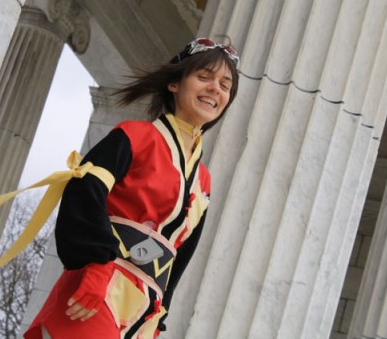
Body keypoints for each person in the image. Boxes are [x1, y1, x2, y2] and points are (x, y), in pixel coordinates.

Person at [24, 37, 240, 338]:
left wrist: (161, 313)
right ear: (174, 83)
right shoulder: (134, 136)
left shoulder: (203, 180)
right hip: (99, 287)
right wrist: (96, 264)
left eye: (225, 85)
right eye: (204, 77)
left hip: (144, 313)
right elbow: (84, 193)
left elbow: (182, 252)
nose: (215, 88)